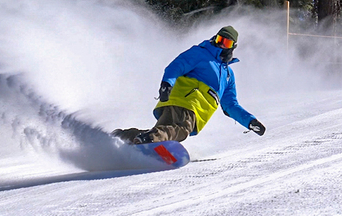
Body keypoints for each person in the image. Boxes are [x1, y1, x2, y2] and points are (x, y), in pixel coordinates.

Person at [113, 26, 265, 145]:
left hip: (194, 110)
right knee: (182, 131)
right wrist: (167, 83)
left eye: (226, 43)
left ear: (233, 47)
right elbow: (177, 65)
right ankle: (149, 140)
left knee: (165, 131)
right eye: (219, 39)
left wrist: (250, 122)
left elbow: (230, 105)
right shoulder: (201, 53)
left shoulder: (228, 76)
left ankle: (125, 136)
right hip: (187, 102)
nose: (221, 45)